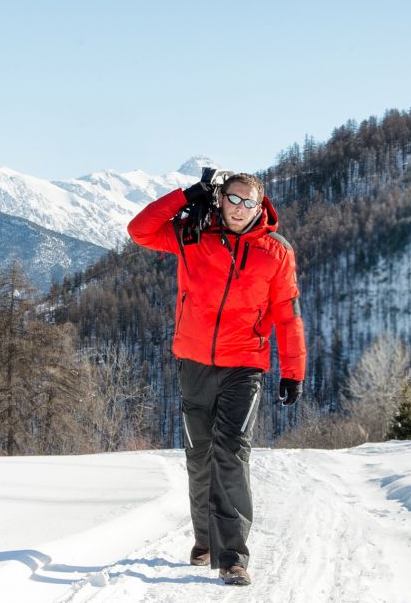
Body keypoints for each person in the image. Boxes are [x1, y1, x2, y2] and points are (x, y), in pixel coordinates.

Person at [127, 169, 306, 587]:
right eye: (233, 199)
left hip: (246, 365)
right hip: (193, 362)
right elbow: (140, 230)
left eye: (249, 202)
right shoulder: (192, 235)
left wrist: (293, 371)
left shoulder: (276, 252)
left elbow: (288, 314)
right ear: (220, 198)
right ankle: (204, 540)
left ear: (261, 206)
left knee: (231, 452)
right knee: (199, 455)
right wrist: (186, 194)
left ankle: (233, 556)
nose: (241, 208)